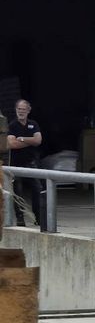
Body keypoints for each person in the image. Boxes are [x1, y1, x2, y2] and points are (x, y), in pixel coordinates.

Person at [7, 99, 46, 230]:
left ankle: (38, 217)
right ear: (15, 110)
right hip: (15, 164)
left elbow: (39, 140)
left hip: (31, 163)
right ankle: (20, 218)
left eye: (23, 109)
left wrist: (22, 139)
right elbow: (11, 144)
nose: (21, 112)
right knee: (17, 192)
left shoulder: (33, 124)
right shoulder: (12, 125)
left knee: (37, 189)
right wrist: (31, 141)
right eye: (19, 109)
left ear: (28, 111)